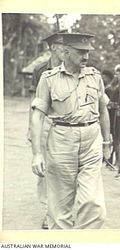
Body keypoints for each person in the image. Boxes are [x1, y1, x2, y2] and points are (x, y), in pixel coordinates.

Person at [30, 32, 111, 229]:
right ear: (65, 52)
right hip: (61, 141)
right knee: (59, 210)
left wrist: (107, 143)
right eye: (80, 52)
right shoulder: (48, 78)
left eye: (87, 53)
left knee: (95, 205)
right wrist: (37, 153)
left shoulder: (95, 76)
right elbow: (37, 116)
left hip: (91, 139)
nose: (85, 57)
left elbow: (103, 110)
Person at [27, 30, 66, 229]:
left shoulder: (74, 67)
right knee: (44, 170)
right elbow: (34, 104)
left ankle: (64, 210)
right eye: (61, 45)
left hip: (67, 126)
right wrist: (30, 128)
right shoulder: (40, 70)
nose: (65, 48)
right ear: (52, 48)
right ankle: (47, 211)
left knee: (65, 170)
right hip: (46, 124)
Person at [105, 64, 120, 169]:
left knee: (119, 139)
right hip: (111, 114)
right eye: (117, 73)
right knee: (113, 138)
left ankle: (118, 162)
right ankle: (110, 159)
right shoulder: (112, 87)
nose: (119, 76)